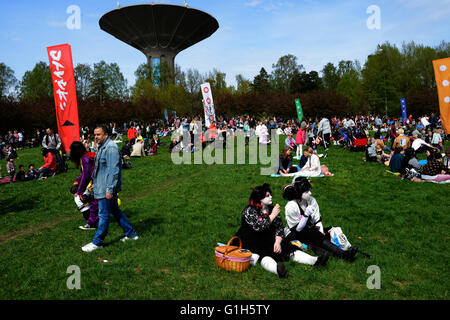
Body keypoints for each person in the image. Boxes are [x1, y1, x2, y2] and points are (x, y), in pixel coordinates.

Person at [232, 184, 327, 279]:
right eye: (267, 196)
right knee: (264, 255)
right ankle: (278, 270)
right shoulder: (249, 211)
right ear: (259, 198)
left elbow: (279, 228)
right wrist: (272, 215)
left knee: (288, 248)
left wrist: (277, 242)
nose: (271, 197)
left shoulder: (272, 209)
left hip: (269, 236)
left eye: (270, 195)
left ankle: (315, 261)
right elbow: (259, 227)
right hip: (251, 239)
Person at [81, 125, 138, 252]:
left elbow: (114, 171)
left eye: (99, 134)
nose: (96, 137)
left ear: (106, 135)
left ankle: (98, 242)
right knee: (116, 212)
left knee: (103, 215)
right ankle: (131, 234)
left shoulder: (111, 148)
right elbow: (102, 169)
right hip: (102, 186)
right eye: (95, 135)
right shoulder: (102, 146)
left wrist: (110, 189)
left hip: (106, 188)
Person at [283, 177, 358, 261]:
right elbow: (297, 229)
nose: (310, 193)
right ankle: (343, 255)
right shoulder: (291, 206)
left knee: (323, 234)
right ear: (299, 192)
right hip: (293, 233)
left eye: (310, 190)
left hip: (309, 230)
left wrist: (321, 232)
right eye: (307, 191)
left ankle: (321, 251)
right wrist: (306, 215)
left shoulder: (311, 201)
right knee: (314, 235)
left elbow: (317, 220)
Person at [69, 141, 99, 231]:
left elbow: (86, 176)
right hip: (98, 182)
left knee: (93, 203)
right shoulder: (85, 157)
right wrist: (76, 182)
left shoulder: (85, 159)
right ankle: (93, 222)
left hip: (98, 182)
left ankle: (92, 223)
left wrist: (80, 191)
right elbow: (84, 174)